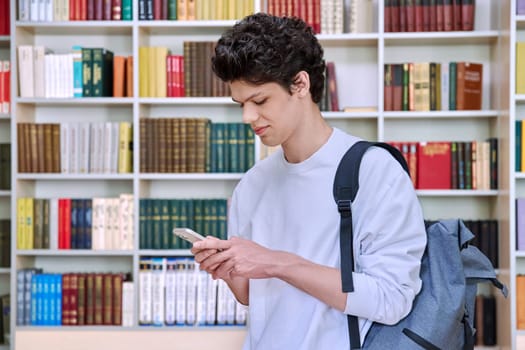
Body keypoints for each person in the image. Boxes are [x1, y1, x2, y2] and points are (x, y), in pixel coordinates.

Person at [191, 12, 427, 350]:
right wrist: (229, 269)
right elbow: (252, 297)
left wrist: (276, 262)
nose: (247, 117)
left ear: (300, 84)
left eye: (259, 101)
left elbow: (392, 299)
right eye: (241, 104)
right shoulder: (252, 185)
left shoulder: (373, 171)